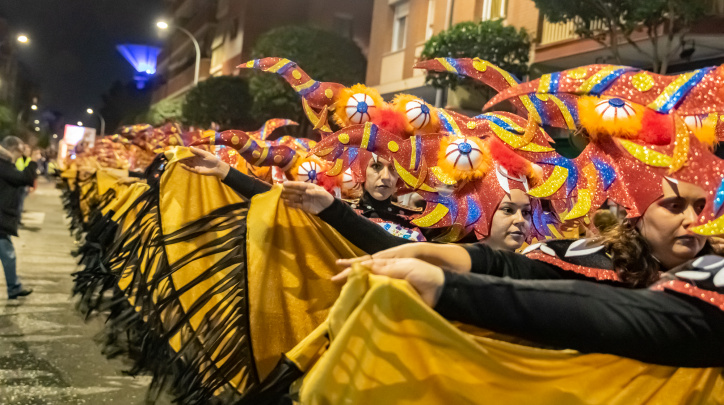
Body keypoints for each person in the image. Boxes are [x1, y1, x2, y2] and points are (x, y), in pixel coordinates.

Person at [0, 136, 39, 299]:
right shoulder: (3, 164)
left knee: (8, 253)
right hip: (1, 218)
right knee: (8, 254)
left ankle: (14, 287)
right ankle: (14, 287)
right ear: (13, 149)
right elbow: (26, 178)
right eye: (20, 151)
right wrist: (32, 160)